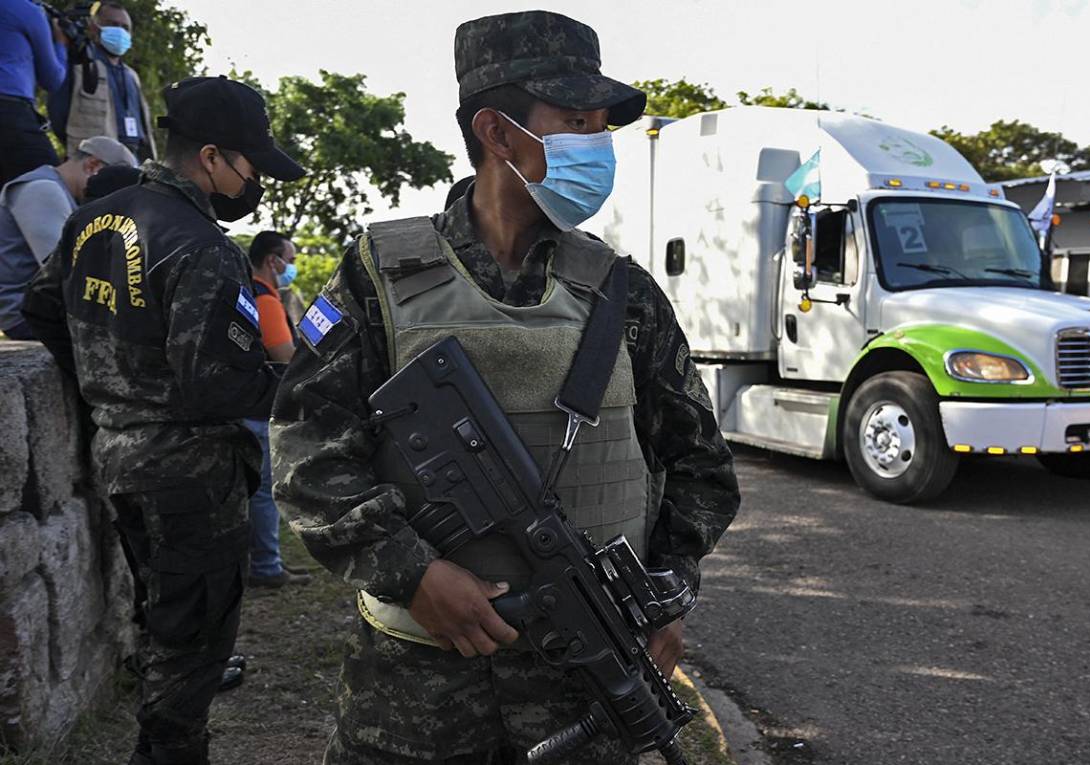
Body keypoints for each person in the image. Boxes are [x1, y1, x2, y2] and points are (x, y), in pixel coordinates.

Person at [271, 11, 740, 764]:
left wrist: (667, 592)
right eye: (576, 120)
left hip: (582, 680)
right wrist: (413, 571)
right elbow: (306, 451)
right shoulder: (381, 274)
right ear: (497, 132)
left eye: (601, 126)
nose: (598, 143)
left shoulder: (625, 294)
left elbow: (702, 468)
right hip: (413, 685)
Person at [22, 75, 305, 765]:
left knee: (160, 619)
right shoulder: (205, 247)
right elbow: (215, 384)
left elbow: (39, 309)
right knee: (196, 641)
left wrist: (107, 382)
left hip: (119, 458)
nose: (254, 182)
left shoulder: (94, 217)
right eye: (251, 165)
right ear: (211, 158)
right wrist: (297, 390)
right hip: (190, 475)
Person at [1, 136, 135, 339]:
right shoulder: (42, 189)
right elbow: (69, 272)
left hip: (46, 311)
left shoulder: (58, 191)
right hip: (27, 317)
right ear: (93, 165)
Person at [242, 230, 311, 588]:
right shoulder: (265, 299)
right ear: (273, 260)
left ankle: (263, 563)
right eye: (292, 260)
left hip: (244, 405)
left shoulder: (245, 291)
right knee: (264, 495)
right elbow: (284, 356)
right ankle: (267, 567)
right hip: (258, 410)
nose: (293, 268)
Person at [49, 0, 157, 161]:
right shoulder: (81, 65)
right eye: (112, 24)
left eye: (125, 28)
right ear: (94, 27)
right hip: (96, 161)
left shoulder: (131, 75)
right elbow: (58, 112)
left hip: (135, 160)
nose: (120, 31)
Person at [0, 0, 69, 184]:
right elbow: (52, 78)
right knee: (50, 183)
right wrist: (61, 44)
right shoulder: (25, 10)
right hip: (10, 112)